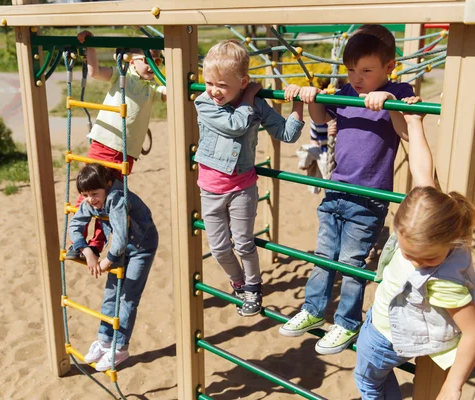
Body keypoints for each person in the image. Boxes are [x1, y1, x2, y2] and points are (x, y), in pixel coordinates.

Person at [279, 25, 417, 354]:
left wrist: (391, 102)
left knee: (352, 263)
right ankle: (313, 311)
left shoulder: (398, 90)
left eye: (366, 71)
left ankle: (346, 323)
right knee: (324, 257)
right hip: (335, 190)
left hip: (369, 198)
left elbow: (408, 128)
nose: (357, 78)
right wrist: (309, 96)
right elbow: (320, 117)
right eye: (352, 70)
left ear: (389, 67)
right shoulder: (345, 92)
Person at [354, 105, 475, 400]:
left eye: (428, 258)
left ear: (450, 240)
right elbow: (422, 171)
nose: (415, 262)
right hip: (391, 322)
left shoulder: (445, 280)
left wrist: (453, 384)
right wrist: (414, 123)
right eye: (407, 253)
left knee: (368, 382)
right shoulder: (427, 217)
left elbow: (473, 332)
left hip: (386, 337)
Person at [194, 40, 305, 316]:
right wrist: (246, 98)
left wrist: (298, 104)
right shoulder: (204, 103)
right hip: (210, 189)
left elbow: (286, 134)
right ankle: (238, 282)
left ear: (243, 81)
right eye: (209, 82)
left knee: (244, 243)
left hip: (242, 187)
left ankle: (253, 287)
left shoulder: (255, 103)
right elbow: (235, 126)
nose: (214, 90)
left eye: (222, 85)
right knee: (219, 248)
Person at [66, 30, 166, 260]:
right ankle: (77, 243)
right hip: (103, 143)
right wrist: (89, 46)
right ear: (131, 60)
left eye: (158, 60)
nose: (154, 65)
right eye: (149, 59)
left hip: (125, 155)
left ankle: (95, 246)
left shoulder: (152, 89)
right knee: (89, 194)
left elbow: (172, 91)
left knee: (111, 202)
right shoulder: (123, 76)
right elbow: (94, 72)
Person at [68, 163, 159, 371]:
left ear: (108, 185)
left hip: (141, 246)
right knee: (111, 293)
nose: (91, 199)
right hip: (122, 247)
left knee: (128, 297)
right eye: (85, 194)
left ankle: (120, 348)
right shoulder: (91, 200)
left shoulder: (116, 199)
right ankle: (105, 341)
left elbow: (120, 238)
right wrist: (87, 250)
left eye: (94, 193)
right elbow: (75, 225)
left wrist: (106, 261)